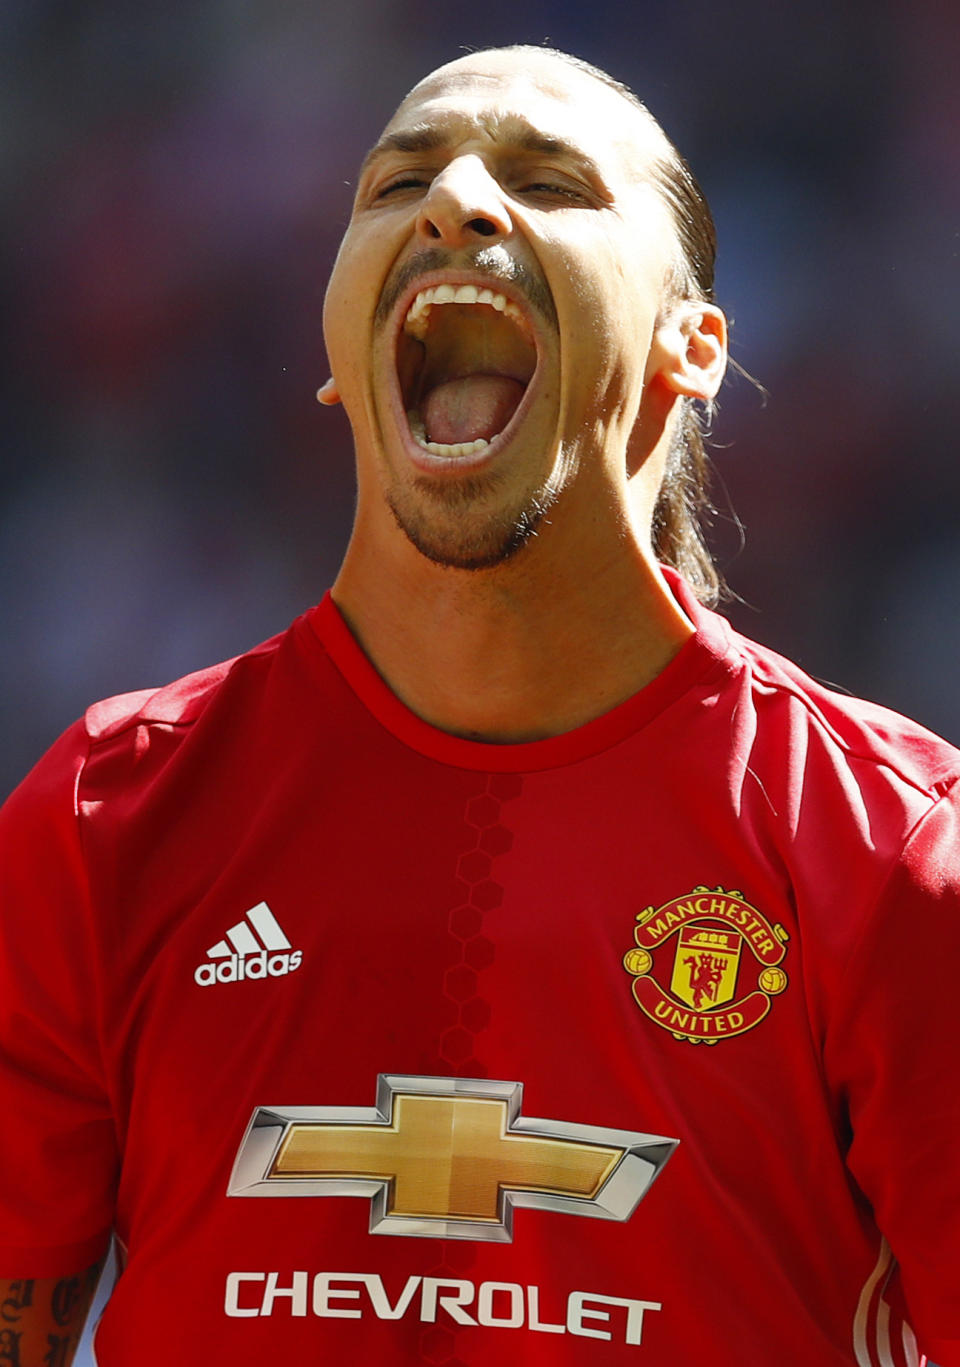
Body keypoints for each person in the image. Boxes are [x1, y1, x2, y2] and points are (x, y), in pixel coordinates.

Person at [0, 44, 956, 1367]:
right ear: (333, 349)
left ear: (695, 350)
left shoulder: (896, 861)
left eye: (550, 181)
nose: (453, 201)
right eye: (397, 180)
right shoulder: (103, 821)